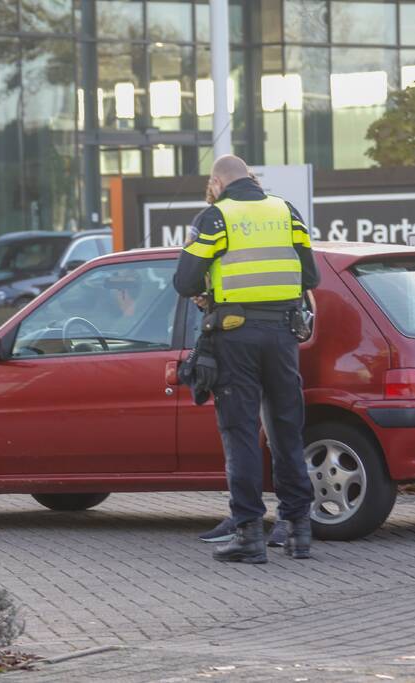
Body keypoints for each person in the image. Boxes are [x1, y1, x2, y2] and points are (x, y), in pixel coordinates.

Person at [173, 154, 320, 563]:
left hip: (235, 336)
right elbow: (311, 277)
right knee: (286, 431)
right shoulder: (287, 212)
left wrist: (210, 287)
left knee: (240, 433)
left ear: (218, 182)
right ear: (250, 178)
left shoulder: (215, 218)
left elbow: (184, 281)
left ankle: (249, 534)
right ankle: (298, 530)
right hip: (283, 336)